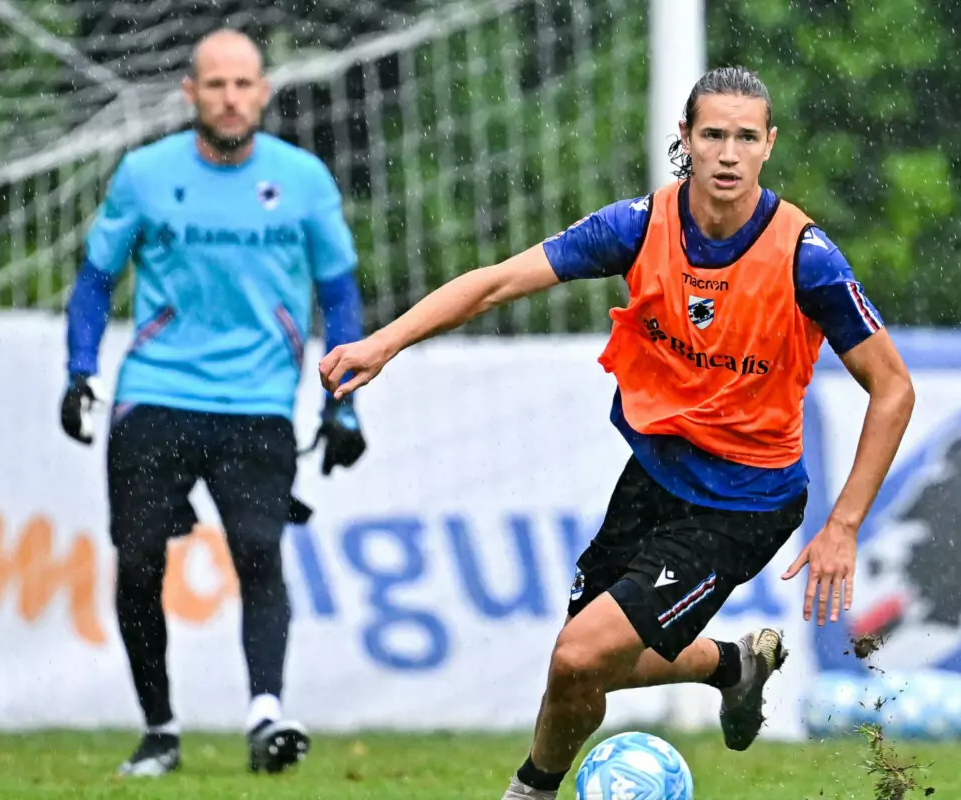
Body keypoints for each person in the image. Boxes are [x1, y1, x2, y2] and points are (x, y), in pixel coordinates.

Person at [318, 66, 915, 799]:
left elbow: (893, 388)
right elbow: (497, 282)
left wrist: (843, 525)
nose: (729, 154)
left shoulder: (805, 257)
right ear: (685, 139)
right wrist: (384, 342)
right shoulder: (637, 227)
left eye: (746, 137)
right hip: (654, 477)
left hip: (743, 502)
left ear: (769, 144)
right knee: (577, 669)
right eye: (713, 135)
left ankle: (528, 792)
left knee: (578, 657)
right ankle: (731, 665)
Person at [60, 28, 368, 777]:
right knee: (138, 563)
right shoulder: (144, 174)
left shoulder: (303, 180)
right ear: (190, 93)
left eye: (242, 84)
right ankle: (159, 731)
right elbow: (95, 281)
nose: (230, 98)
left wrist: (343, 401)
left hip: (258, 401)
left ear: (263, 93)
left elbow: (339, 294)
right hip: (157, 393)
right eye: (216, 84)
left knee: (259, 551)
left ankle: (266, 714)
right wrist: (79, 371)